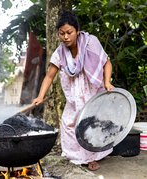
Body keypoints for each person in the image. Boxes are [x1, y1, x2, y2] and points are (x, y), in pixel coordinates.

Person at [32, 11, 114, 171]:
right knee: (68, 124)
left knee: (92, 124)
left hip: (92, 95)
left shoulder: (91, 43)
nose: (66, 37)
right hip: (74, 97)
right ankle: (76, 157)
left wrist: (107, 82)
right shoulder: (59, 53)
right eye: (61, 33)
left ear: (77, 30)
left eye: (69, 32)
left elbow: (107, 63)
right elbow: (49, 76)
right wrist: (40, 96)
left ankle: (92, 158)